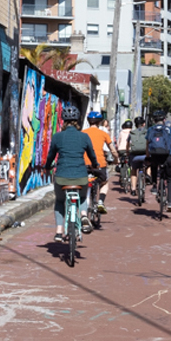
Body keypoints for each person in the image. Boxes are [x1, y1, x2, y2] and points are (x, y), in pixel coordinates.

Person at [43, 104, 101, 243]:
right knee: (81, 198)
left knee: (60, 200)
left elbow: (51, 156)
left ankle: (58, 232)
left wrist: (47, 167)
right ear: (78, 120)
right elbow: (92, 155)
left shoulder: (57, 137)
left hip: (62, 177)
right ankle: (82, 215)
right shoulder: (84, 136)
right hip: (80, 176)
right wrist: (95, 165)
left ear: (63, 119)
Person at [83, 115, 114, 215]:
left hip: (84, 164)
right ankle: (100, 201)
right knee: (104, 182)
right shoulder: (104, 133)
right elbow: (112, 149)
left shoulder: (82, 133)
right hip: (99, 164)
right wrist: (116, 158)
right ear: (100, 122)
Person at [145, 118, 171, 212]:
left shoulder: (151, 129)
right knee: (170, 179)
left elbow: (147, 145)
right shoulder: (169, 129)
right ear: (164, 120)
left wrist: (148, 156)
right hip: (168, 156)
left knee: (154, 166)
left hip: (155, 155)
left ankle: (155, 186)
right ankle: (170, 203)